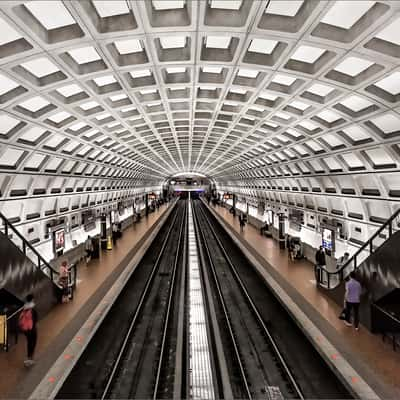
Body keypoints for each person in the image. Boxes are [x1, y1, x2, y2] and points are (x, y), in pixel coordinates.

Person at [18, 294, 38, 367]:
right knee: (33, 342)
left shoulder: (24, 307)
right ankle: (30, 359)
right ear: (32, 299)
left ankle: (28, 358)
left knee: (29, 342)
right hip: (31, 328)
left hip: (25, 329)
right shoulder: (32, 308)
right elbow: (35, 318)